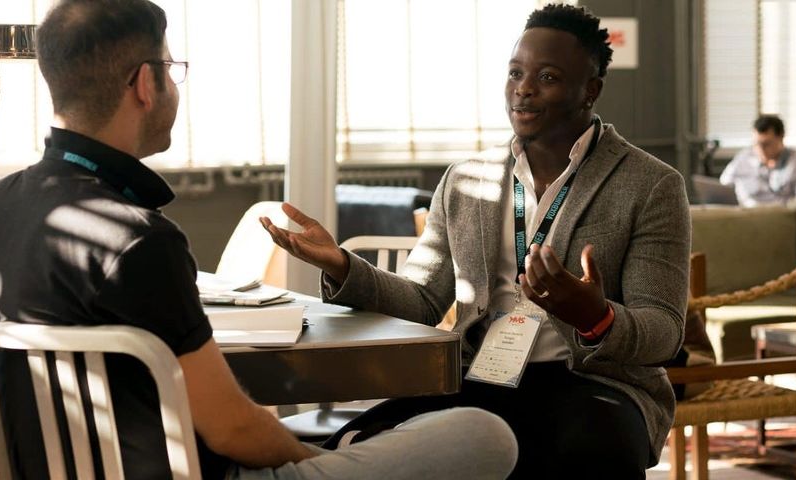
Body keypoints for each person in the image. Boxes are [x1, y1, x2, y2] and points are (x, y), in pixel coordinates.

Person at [0, 1, 517, 479]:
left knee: (365, 437)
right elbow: (232, 429)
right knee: (483, 434)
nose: (172, 85)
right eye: (170, 69)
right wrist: (317, 465)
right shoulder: (140, 240)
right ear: (142, 83)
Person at [261, 4, 688, 479]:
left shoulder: (650, 184)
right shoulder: (468, 180)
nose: (522, 89)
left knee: (578, 453)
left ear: (590, 90)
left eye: (546, 76)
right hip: (482, 376)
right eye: (514, 73)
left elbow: (665, 332)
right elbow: (423, 300)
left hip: (592, 382)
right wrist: (343, 265)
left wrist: (597, 318)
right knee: (360, 443)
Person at [719, 114, 796, 206]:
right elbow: (722, 186)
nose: (760, 150)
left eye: (766, 144)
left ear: (781, 137)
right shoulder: (744, 158)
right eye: (756, 144)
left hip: (780, 216)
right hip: (745, 216)